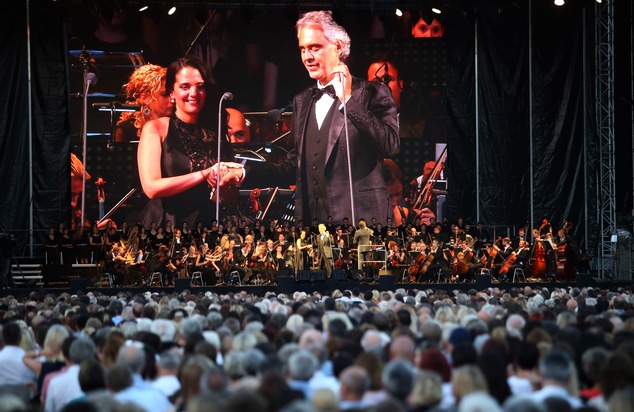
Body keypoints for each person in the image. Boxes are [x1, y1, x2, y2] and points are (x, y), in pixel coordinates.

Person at [214, 11, 399, 224]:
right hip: (311, 225)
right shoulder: (302, 101)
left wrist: (348, 100)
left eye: (315, 48)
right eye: (303, 49)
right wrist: (244, 172)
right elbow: (293, 166)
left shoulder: (372, 93)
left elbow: (391, 145)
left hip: (361, 222)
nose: (307, 57)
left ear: (338, 47)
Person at [136, 55, 235, 228]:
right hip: (166, 225)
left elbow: (231, 200)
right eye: (184, 87)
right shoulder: (155, 128)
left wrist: (225, 184)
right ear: (172, 92)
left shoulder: (215, 132)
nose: (193, 93)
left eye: (200, 87)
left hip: (207, 223)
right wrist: (204, 174)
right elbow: (151, 187)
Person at [115, 64, 175, 142]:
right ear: (145, 98)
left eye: (172, 94)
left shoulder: (179, 125)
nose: (172, 100)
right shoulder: (126, 130)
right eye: (165, 95)